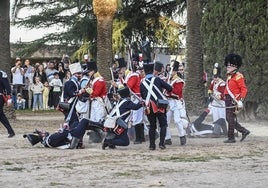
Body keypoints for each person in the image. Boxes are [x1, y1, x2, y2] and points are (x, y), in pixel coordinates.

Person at [140, 61, 172, 150]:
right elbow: (170, 88)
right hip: (159, 105)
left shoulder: (142, 83)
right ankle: (161, 143)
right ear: (153, 70)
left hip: (149, 106)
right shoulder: (157, 79)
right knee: (163, 125)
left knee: (152, 126)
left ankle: (152, 145)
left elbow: (142, 96)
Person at [23, 118, 104, 149]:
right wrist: (64, 128)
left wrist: (62, 130)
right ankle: (103, 127)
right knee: (84, 121)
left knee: (75, 122)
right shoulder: (50, 139)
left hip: (71, 137)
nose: (43, 130)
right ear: (40, 136)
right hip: (73, 140)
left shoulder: (48, 140)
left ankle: (97, 130)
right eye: (41, 132)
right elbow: (64, 134)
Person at [223, 53, 250, 143]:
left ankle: (231, 137)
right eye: (227, 65)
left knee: (229, 118)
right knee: (229, 118)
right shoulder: (229, 76)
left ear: (235, 66)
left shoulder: (239, 76)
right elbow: (228, 89)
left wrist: (241, 100)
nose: (227, 67)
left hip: (234, 100)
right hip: (228, 99)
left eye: (229, 66)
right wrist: (222, 96)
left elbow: (244, 89)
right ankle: (244, 131)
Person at [165, 60, 188, 146]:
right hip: (169, 103)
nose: (170, 72)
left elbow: (177, 93)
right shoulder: (168, 80)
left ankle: (182, 136)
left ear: (175, 71)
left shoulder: (179, 81)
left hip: (176, 102)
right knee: (165, 121)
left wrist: (168, 89)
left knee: (177, 121)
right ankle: (167, 138)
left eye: (172, 70)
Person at [125, 57, 145, 144]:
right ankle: (141, 137)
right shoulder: (138, 76)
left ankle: (138, 138)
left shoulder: (134, 76)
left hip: (136, 98)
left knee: (137, 119)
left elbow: (128, 87)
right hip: (139, 98)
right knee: (139, 118)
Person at [0, 69, 16, 137]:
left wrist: (9, 98)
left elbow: (7, 86)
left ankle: (10, 131)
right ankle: (10, 131)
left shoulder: (1, 73)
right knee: (1, 115)